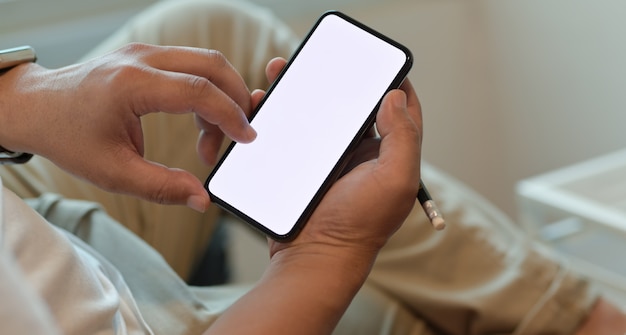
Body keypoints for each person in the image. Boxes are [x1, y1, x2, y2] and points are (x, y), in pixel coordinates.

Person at [1, 0, 625, 334]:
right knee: (388, 317)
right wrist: (329, 250)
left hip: (21, 211)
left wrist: (19, 97)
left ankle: (572, 317)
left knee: (214, 36)